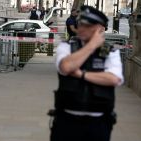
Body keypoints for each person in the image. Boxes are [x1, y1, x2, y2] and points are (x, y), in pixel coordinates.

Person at [50, 6, 124, 141]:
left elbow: (114, 79)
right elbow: (66, 67)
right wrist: (91, 46)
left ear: (99, 29)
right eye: (80, 23)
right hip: (67, 120)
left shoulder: (107, 50)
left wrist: (81, 74)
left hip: (98, 122)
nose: (81, 28)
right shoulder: (67, 46)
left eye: (87, 25)